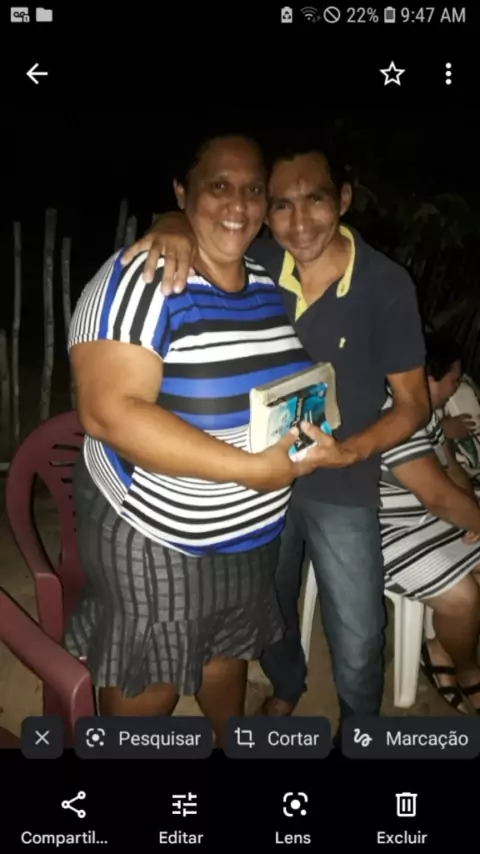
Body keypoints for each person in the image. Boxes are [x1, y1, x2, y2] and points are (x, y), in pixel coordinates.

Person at [121, 134, 431, 727]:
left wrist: (350, 452)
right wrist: (170, 223)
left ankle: (360, 725)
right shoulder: (256, 261)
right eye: (282, 204)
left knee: (359, 627)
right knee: (270, 606)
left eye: (315, 200)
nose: (298, 222)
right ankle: (288, 684)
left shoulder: (385, 285)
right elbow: (195, 225)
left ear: (344, 199)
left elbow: (414, 404)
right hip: (260, 482)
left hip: (343, 482)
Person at [65, 132, 333, 746]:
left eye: (253, 189)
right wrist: (253, 471)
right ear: (182, 193)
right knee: (150, 679)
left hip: (251, 537)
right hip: (158, 536)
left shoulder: (264, 281)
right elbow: (109, 414)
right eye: (218, 186)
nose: (238, 203)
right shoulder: (141, 280)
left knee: (226, 650)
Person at [381, 331, 480, 714]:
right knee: (463, 597)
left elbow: (451, 471)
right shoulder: (393, 413)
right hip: (385, 530)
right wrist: (469, 514)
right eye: (453, 379)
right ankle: (468, 670)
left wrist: (470, 513)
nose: (456, 387)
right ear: (428, 377)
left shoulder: (426, 411)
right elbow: (437, 494)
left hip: (426, 517)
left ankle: (441, 646)